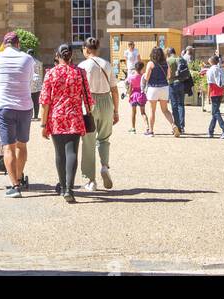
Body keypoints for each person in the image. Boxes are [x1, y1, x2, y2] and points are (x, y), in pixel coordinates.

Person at [40, 44, 94, 204]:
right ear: (71, 56)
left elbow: (45, 101)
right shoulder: (79, 72)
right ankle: (69, 189)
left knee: (59, 154)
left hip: (56, 117)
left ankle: (63, 187)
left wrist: (43, 124)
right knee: (72, 153)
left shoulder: (51, 73)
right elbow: (88, 99)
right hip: (74, 116)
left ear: (57, 55)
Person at [0, 31, 35, 198]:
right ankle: (19, 178)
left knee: (9, 147)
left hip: (4, 106)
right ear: (18, 44)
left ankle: (15, 186)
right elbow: (30, 82)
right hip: (25, 106)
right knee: (22, 145)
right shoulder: (28, 59)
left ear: (4, 44)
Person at [78, 36, 119, 191]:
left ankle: (90, 179)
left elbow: (79, 90)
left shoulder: (82, 66)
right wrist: (116, 110)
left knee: (88, 141)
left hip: (89, 103)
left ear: (86, 50)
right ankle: (104, 166)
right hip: (106, 101)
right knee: (104, 138)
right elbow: (114, 89)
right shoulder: (106, 64)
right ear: (97, 49)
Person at [142, 46, 180, 137]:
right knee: (165, 110)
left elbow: (147, 78)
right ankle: (173, 125)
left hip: (153, 88)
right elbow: (168, 76)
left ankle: (151, 131)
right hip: (164, 88)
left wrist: (144, 77)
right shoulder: (166, 63)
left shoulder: (150, 64)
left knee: (152, 110)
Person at [204, 52, 224, 138]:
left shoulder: (210, 70)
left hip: (214, 92)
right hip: (220, 91)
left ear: (211, 62)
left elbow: (209, 85)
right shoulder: (220, 69)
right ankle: (210, 131)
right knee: (214, 113)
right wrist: (223, 94)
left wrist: (208, 96)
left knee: (216, 112)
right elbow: (223, 82)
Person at [168, 46, 192, 134]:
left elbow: (169, 74)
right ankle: (182, 126)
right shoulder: (182, 59)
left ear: (169, 53)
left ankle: (177, 126)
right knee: (181, 105)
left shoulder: (169, 60)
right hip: (181, 83)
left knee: (174, 105)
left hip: (172, 84)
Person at [128, 60, 147, 131]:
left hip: (134, 96)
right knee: (143, 112)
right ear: (142, 69)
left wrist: (129, 96)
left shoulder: (131, 77)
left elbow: (130, 88)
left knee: (133, 112)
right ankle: (147, 126)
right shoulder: (144, 77)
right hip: (141, 95)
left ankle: (133, 128)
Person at [30, 51, 44, 118]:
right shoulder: (39, 62)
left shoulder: (27, 62)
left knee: (29, 101)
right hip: (37, 83)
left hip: (29, 83)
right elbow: (41, 74)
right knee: (36, 101)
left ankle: (30, 115)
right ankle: (36, 115)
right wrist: (41, 83)